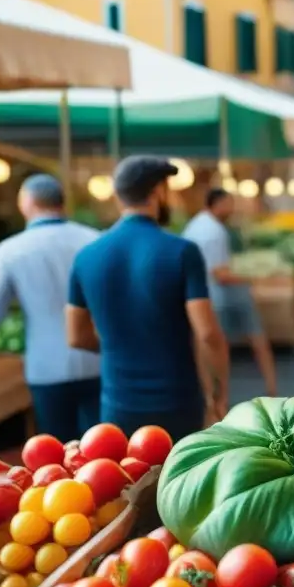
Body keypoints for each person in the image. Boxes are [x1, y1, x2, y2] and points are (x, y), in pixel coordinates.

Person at [66, 156, 229, 441]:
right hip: (178, 401)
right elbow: (207, 334)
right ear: (158, 192)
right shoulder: (182, 251)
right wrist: (219, 394)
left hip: (118, 404)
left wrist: (123, 346)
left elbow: (76, 337)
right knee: (181, 482)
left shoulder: (86, 257)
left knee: (129, 481)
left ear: (118, 196)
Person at [0, 175, 101, 441]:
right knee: (101, 448)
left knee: (57, 452)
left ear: (26, 204)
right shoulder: (95, 240)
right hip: (98, 358)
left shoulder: (11, 250)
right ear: (62, 203)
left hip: (46, 367)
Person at [183, 187, 277, 397]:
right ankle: (266, 387)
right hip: (222, 295)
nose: (232, 209)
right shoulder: (215, 232)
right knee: (251, 339)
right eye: (229, 204)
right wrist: (255, 279)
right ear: (217, 204)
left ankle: (211, 394)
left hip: (205, 296)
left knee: (207, 346)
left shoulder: (194, 226)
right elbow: (222, 275)